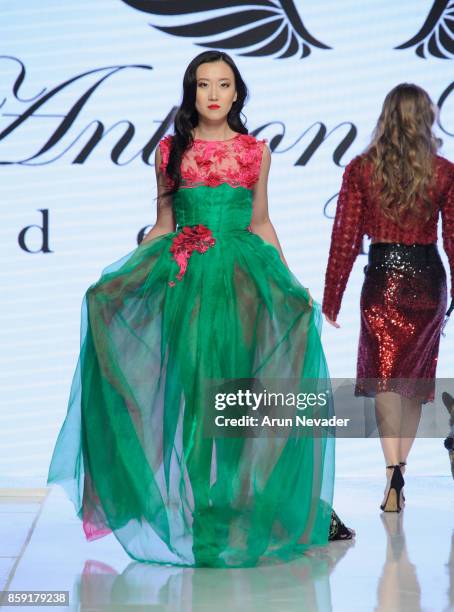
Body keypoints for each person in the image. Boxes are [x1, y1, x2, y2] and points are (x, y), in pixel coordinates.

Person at [47, 50, 353, 568]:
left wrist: (291, 282)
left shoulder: (256, 151)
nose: (213, 94)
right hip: (186, 283)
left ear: (237, 93)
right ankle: (198, 508)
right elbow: (163, 226)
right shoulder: (170, 151)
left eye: (223, 84)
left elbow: (260, 222)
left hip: (243, 282)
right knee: (191, 395)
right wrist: (124, 278)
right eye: (203, 85)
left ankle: (234, 503)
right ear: (192, 94)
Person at [322, 83, 454, 512]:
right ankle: (402, 469)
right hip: (427, 278)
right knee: (414, 382)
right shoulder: (443, 172)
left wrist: (332, 297)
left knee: (384, 379)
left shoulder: (362, 170)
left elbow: (343, 238)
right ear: (426, 118)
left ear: (386, 117)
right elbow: (453, 239)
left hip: (382, 278)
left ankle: (389, 470)